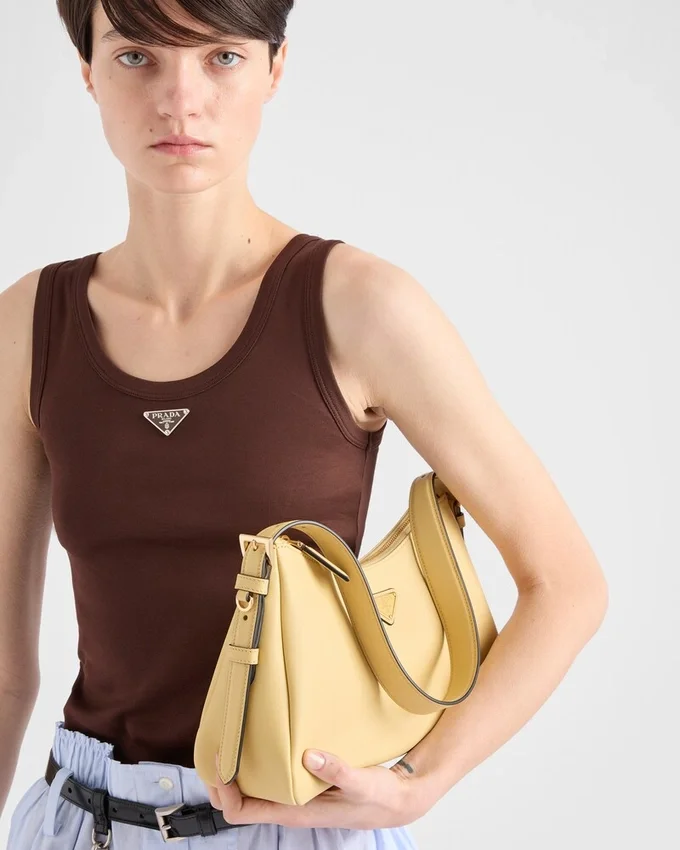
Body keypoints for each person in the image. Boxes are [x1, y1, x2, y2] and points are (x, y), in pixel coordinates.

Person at [0, 0, 609, 848]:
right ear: (87, 73)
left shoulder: (360, 306)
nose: (180, 99)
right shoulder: (30, 323)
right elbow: (4, 670)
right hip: (82, 822)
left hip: (301, 819)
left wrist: (423, 781)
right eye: (138, 56)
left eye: (221, 57)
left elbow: (567, 585)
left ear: (275, 68)